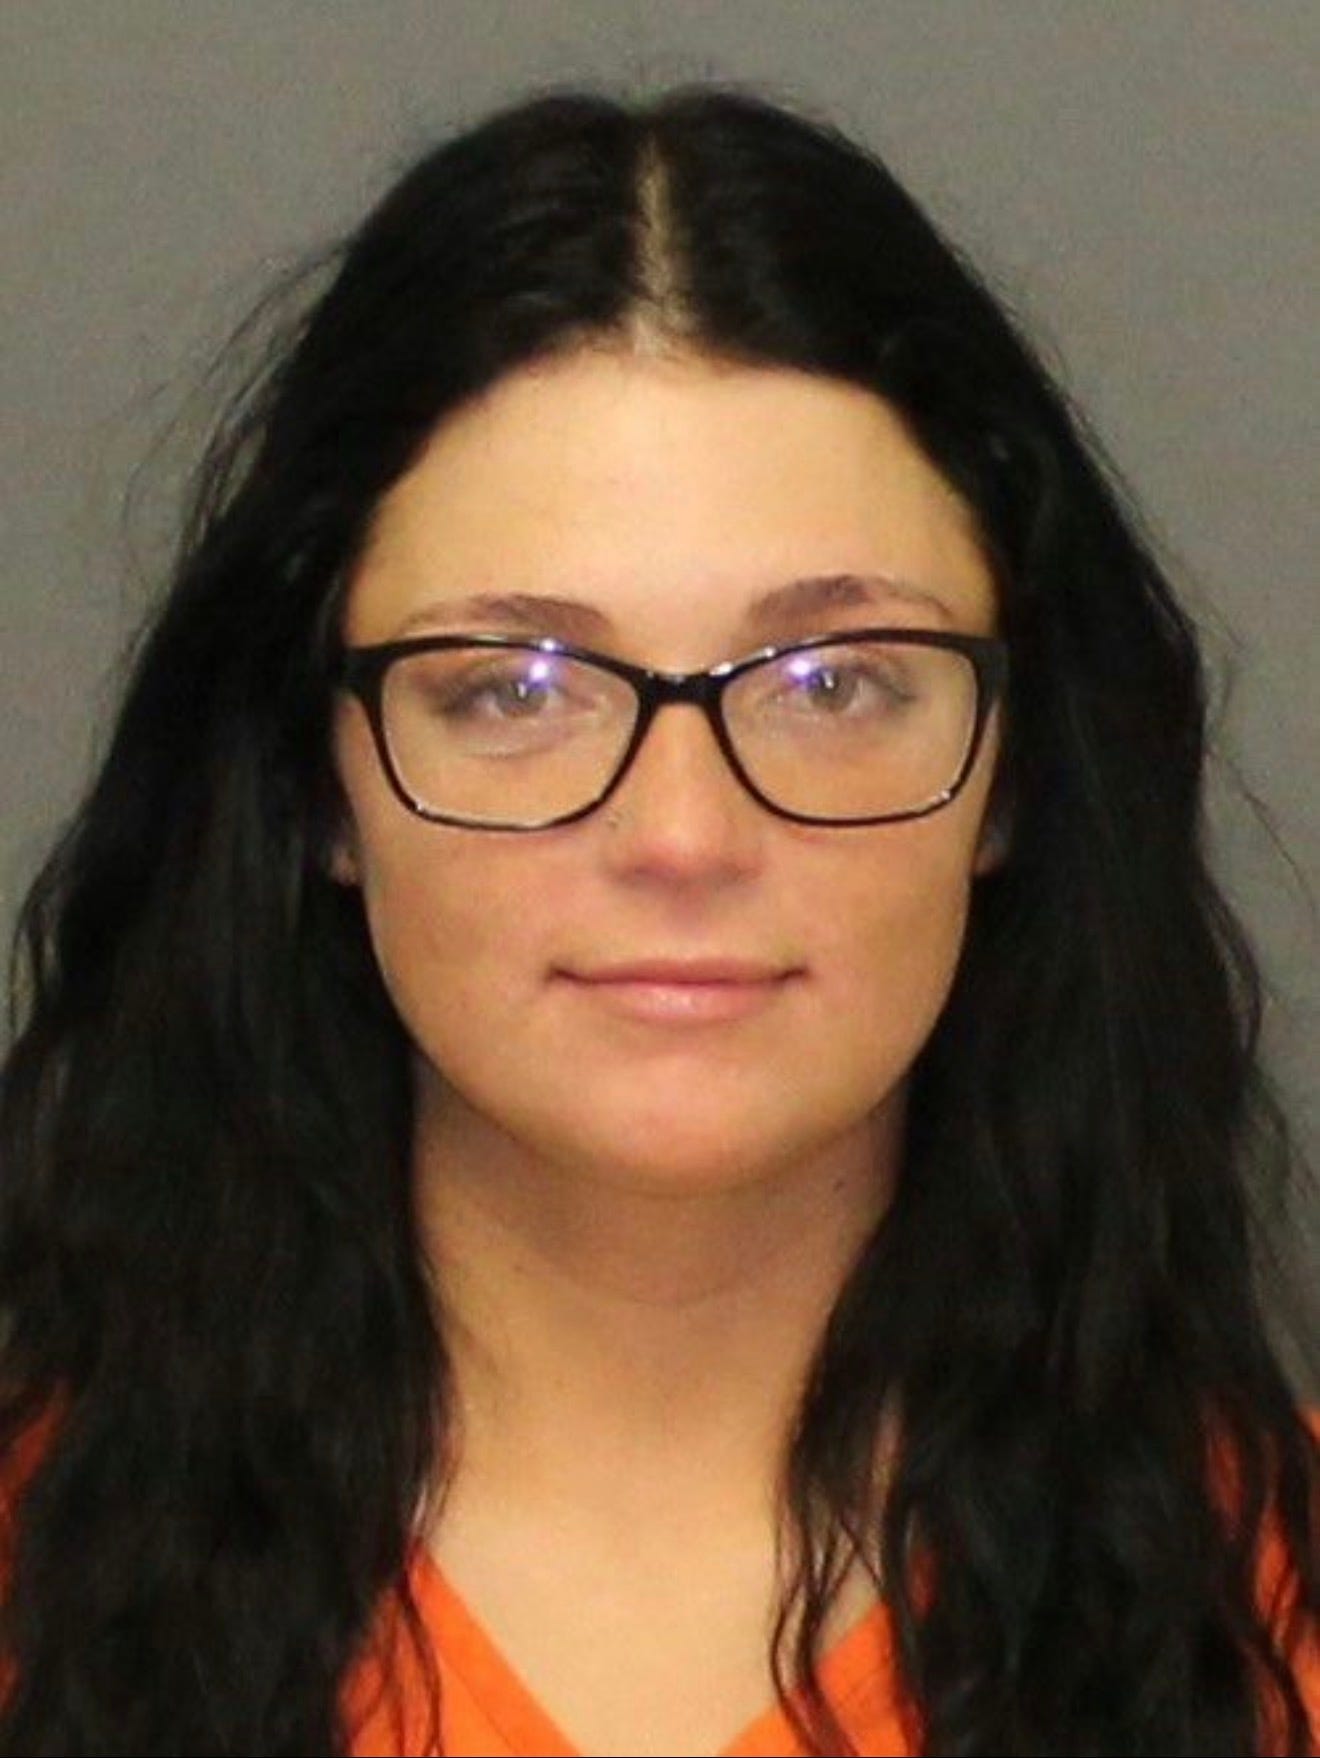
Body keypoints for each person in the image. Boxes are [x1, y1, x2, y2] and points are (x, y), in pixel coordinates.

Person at [0, 79, 1316, 1758]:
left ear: (1013, 775)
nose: (683, 834)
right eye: (514, 684)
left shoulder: (1274, 1609)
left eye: (834, 681)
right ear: (315, 781)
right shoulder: (32, 1589)